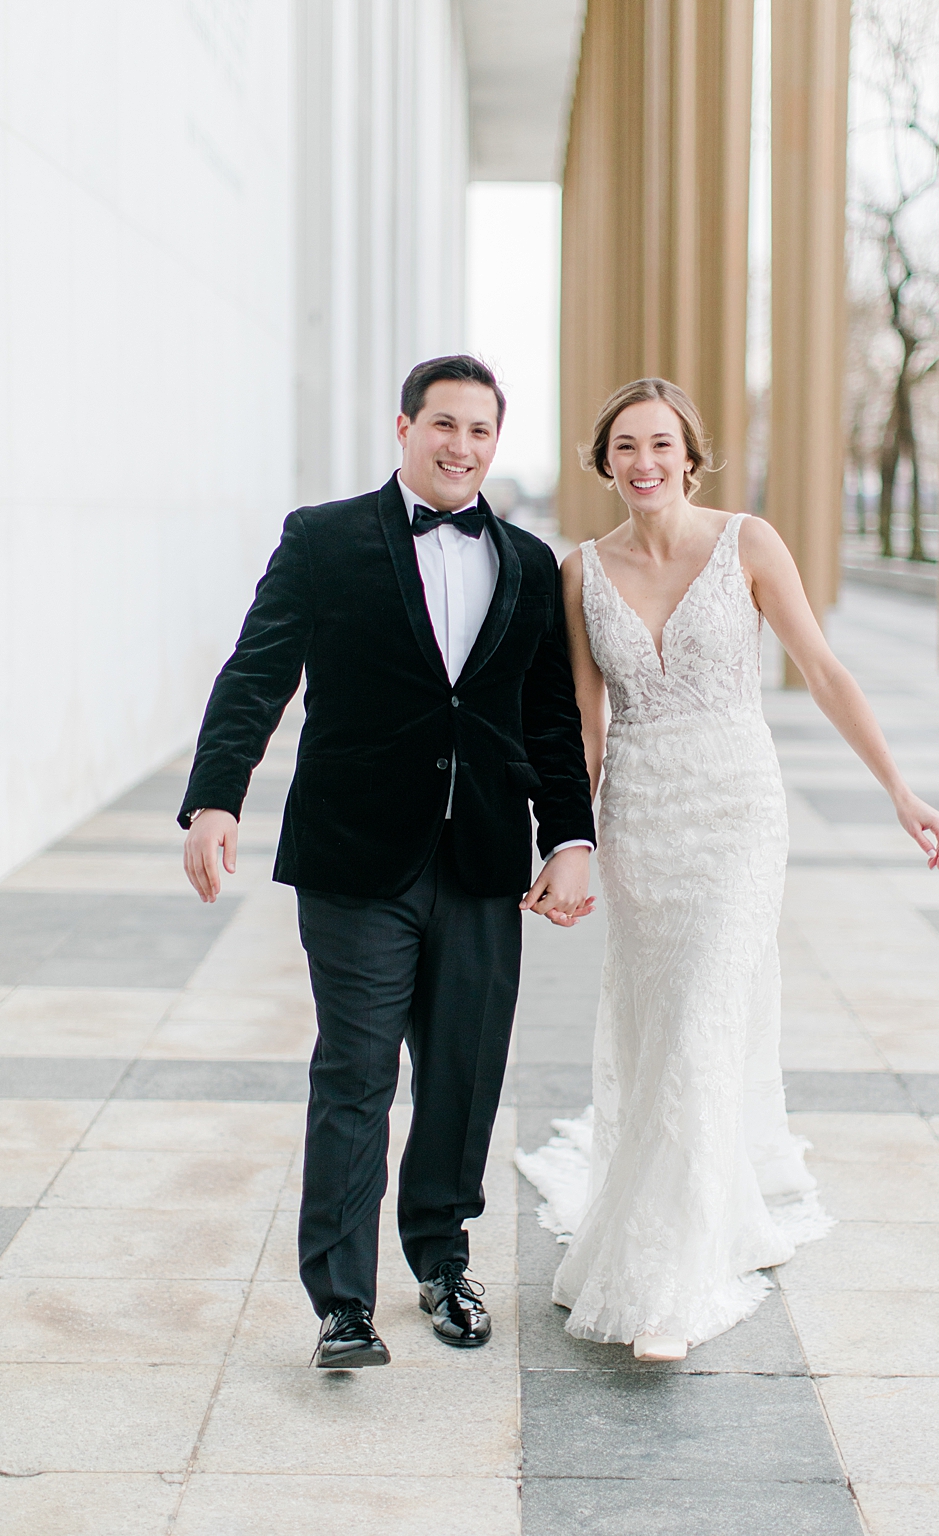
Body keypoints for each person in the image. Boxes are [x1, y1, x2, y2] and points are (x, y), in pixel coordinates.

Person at [518, 377, 939, 1362]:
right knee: (661, 1029)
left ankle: (672, 1284)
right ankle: (670, 1216)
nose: (643, 463)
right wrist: (566, 845)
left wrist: (899, 790)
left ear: (690, 456)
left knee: (704, 1022)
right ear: (604, 461)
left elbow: (825, 670)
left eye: (660, 444)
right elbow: (584, 723)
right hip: (641, 818)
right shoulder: (578, 571)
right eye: (625, 446)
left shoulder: (747, 542)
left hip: (737, 815)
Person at [179, 355, 596, 1369]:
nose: (460, 446)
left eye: (480, 431)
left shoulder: (530, 563)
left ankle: (442, 1261)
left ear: (497, 443)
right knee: (356, 1073)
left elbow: (547, 718)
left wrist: (571, 840)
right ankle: (341, 1302)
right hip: (356, 855)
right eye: (443, 424)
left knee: (462, 1076)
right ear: (403, 427)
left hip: (483, 856)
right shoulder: (323, 539)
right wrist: (214, 796)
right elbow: (259, 668)